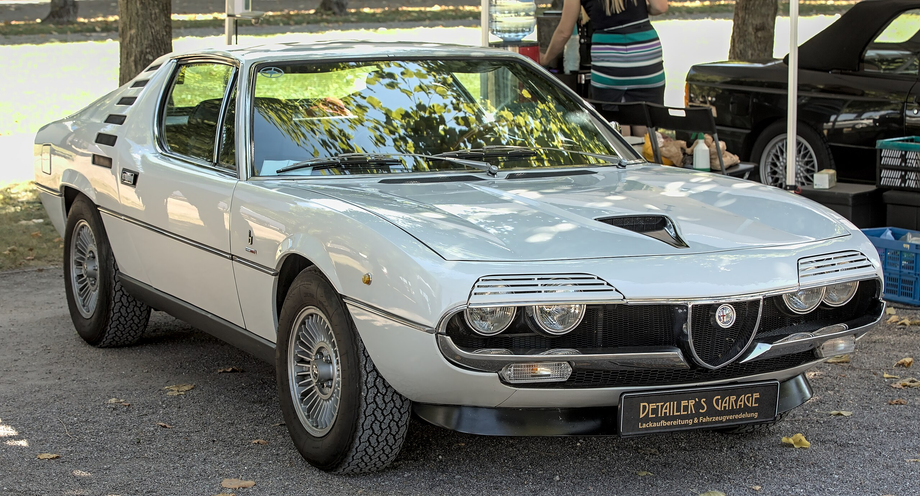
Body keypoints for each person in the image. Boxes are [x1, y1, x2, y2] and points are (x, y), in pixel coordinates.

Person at [541, 0, 668, 135]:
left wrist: (545, 58)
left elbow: (564, 32)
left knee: (615, 125)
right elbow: (660, 7)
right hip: (646, 56)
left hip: (609, 61)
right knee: (647, 127)